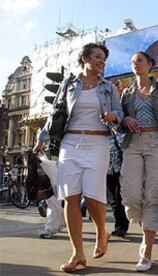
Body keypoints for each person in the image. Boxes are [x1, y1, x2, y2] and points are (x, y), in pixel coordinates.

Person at [33, 43, 123, 273]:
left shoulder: (109, 88)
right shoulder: (68, 84)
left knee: (93, 197)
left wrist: (114, 116)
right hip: (70, 144)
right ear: (84, 58)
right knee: (71, 197)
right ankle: (77, 253)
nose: (102, 62)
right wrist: (42, 137)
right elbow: (56, 114)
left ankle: (101, 233)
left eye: (104, 59)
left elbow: (120, 117)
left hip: (97, 143)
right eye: (98, 57)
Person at [119, 51, 158, 272]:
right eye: (133, 61)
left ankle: (147, 250)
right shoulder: (126, 92)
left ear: (150, 65)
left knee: (153, 194)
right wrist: (125, 119)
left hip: (157, 141)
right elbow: (118, 121)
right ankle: (144, 222)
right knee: (131, 195)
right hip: (133, 144)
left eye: (140, 61)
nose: (136, 64)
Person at [107, 134, 129, 238]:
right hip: (107, 169)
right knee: (112, 200)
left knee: (120, 198)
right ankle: (119, 225)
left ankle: (122, 227)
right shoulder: (102, 131)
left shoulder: (121, 131)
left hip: (121, 169)